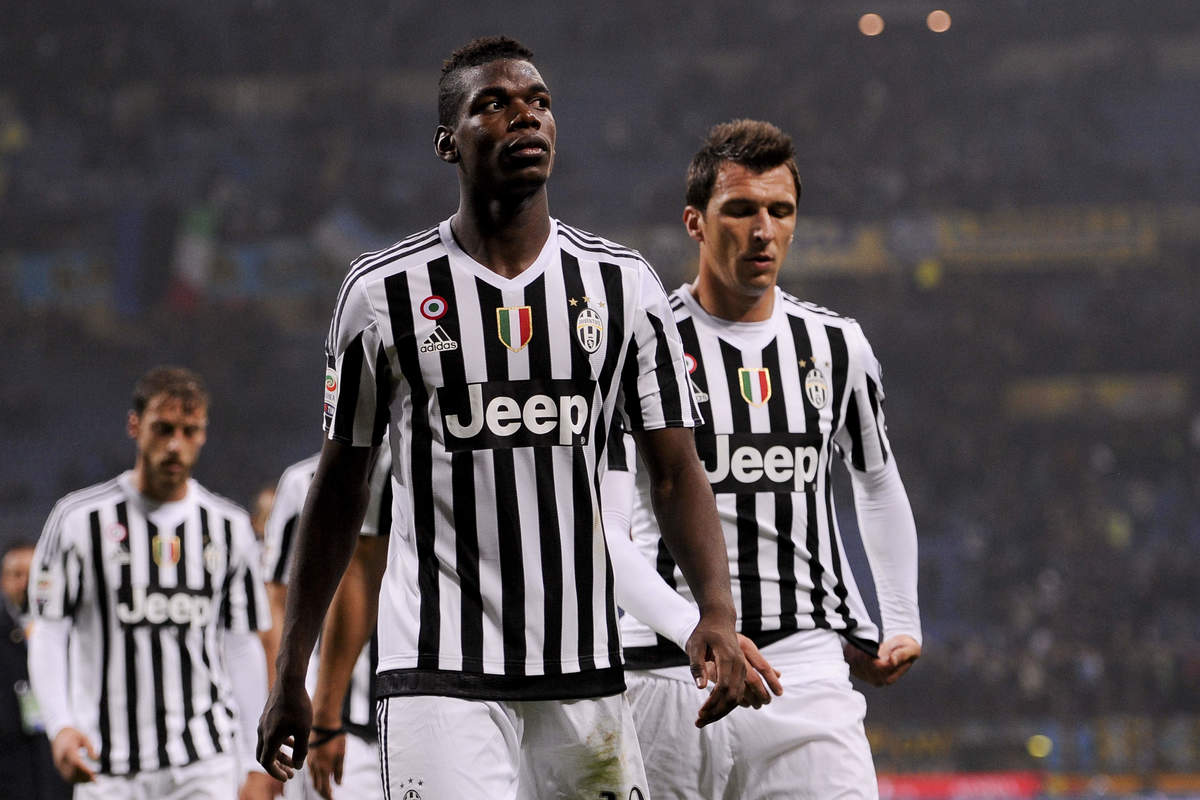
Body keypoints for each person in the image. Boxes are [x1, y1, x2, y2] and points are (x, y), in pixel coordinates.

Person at [258, 35, 746, 799]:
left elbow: (676, 472)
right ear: (447, 143)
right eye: (495, 103)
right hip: (437, 674)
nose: (526, 116)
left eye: (539, 102)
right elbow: (340, 489)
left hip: (584, 671)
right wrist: (294, 671)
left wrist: (714, 610)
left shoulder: (623, 287)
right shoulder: (381, 293)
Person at [602, 119, 922, 799]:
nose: (763, 231)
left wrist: (898, 620)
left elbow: (875, 479)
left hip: (806, 674)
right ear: (695, 221)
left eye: (781, 211)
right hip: (668, 677)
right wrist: (694, 628)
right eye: (741, 209)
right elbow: (605, 533)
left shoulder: (837, 346)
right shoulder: (639, 347)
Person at [27, 366, 279, 799]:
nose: (175, 444)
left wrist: (254, 761)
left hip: (205, 761)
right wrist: (60, 726)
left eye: (189, 431)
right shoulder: (77, 520)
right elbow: (49, 631)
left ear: (203, 434)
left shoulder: (230, 527)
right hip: (107, 766)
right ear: (135, 426)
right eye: (163, 429)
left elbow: (242, 645)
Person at [260, 448, 391, 800]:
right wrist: (289, 695)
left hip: (428, 701)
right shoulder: (301, 482)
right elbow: (278, 600)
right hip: (341, 718)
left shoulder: (430, 467)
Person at [1, 540, 71, 799]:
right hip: (11, 772)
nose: (25, 583)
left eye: (32, 575)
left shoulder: (71, 632)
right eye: (16, 575)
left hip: (61, 768)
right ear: (3, 581)